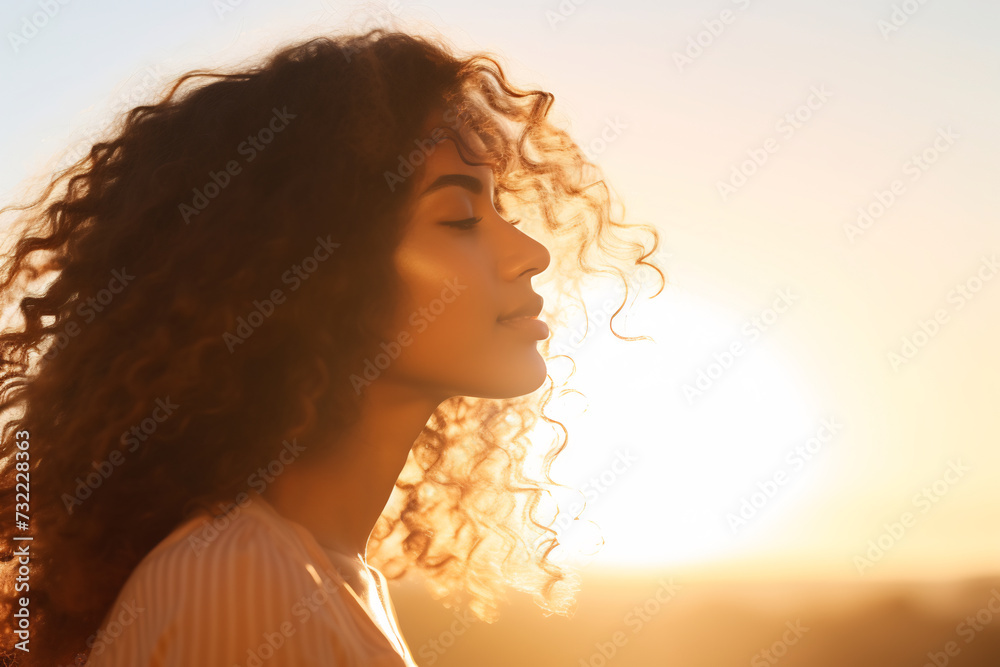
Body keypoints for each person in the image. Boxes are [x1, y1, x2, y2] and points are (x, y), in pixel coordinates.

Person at [0, 28, 664, 666]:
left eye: (500, 211)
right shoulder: (238, 577)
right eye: (460, 218)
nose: (530, 252)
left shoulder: (328, 576)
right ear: (315, 278)